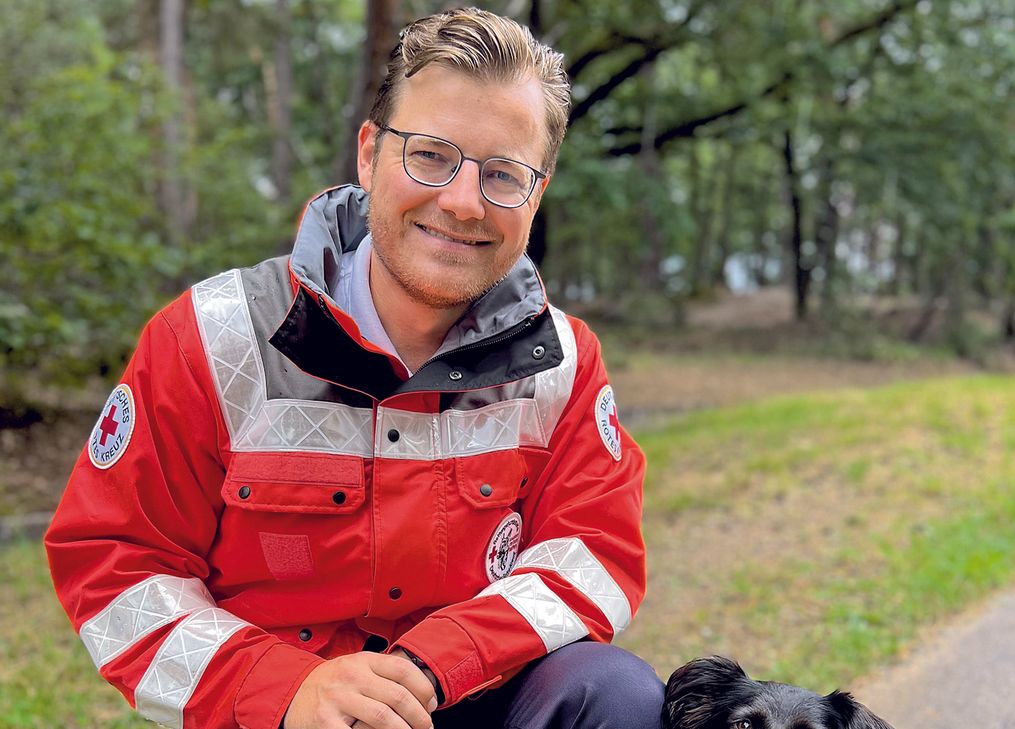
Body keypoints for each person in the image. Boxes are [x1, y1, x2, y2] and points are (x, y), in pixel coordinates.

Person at [45, 7, 663, 729]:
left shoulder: (562, 361)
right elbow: (115, 564)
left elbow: (592, 554)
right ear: (369, 154)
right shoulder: (211, 339)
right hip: (274, 710)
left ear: (538, 193)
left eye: (503, 174)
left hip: (471, 699)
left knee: (611, 692)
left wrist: (434, 662)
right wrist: (286, 688)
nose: (463, 203)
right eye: (431, 154)